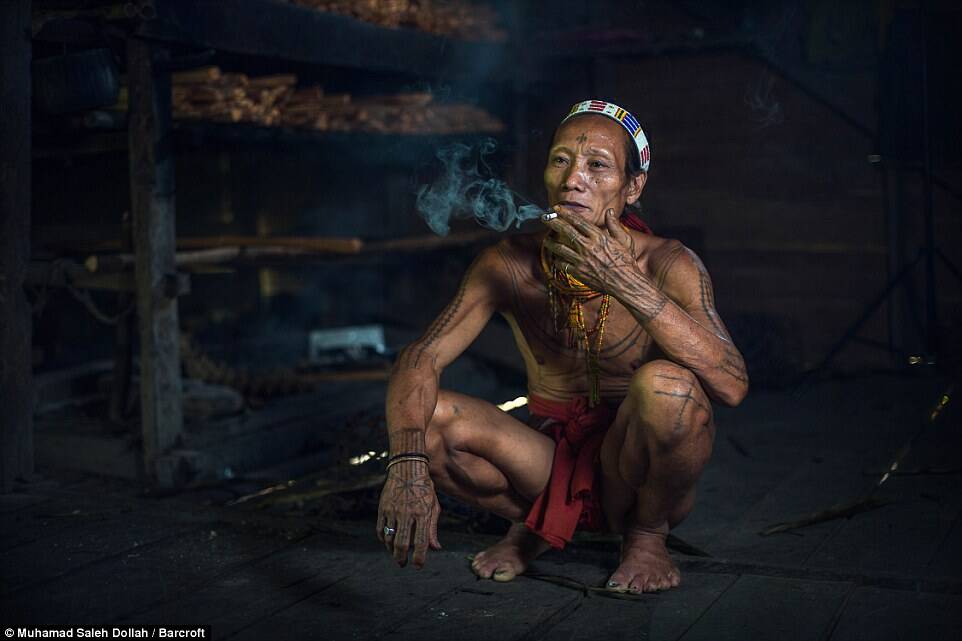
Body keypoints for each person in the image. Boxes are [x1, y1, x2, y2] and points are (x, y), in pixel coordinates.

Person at [376, 99, 748, 594]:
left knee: (669, 389)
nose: (574, 180)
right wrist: (406, 466)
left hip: (635, 471)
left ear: (633, 187)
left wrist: (621, 280)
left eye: (597, 166)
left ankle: (645, 538)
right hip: (544, 463)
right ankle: (534, 527)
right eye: (560, 161)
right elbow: (419, 358)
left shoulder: (669, 263)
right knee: (428, 424)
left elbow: (732, 385)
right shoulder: (507, 264)